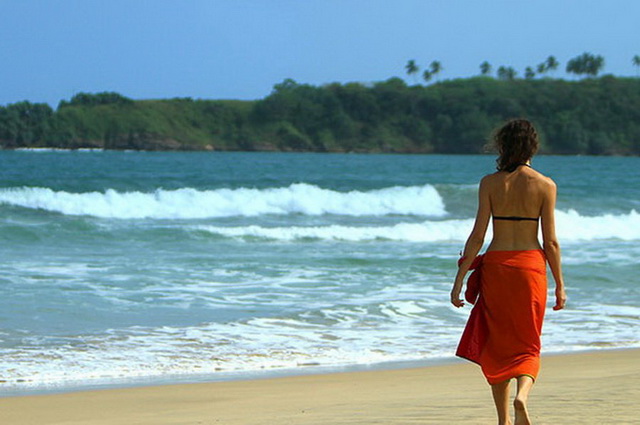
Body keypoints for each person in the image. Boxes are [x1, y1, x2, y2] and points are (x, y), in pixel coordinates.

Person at [450, 119, 567, 425]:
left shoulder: (490, 183)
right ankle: (522, 396)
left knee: (498, 344)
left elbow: (477, 236)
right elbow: (550, 242)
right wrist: (560, 285)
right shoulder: (545, 185)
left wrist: (459, 280)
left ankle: (503, 420)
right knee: (528, 342)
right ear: (533, 147)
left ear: (503, 146)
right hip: (530, 268)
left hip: (497, 267)